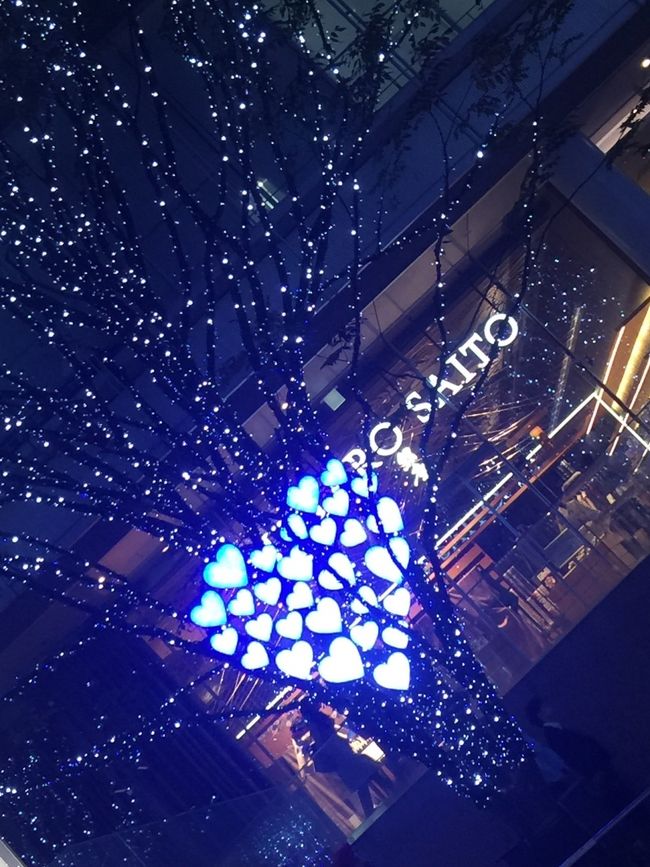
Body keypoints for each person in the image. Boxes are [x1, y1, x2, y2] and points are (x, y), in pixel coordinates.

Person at [297, 702, 379, 819]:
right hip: (343, 757)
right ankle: (374, 808)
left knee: (364, 781)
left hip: (342, 760)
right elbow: (329, 726)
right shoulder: (318, 723)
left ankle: (371, 812)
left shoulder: (314, 726)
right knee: (367, 775)